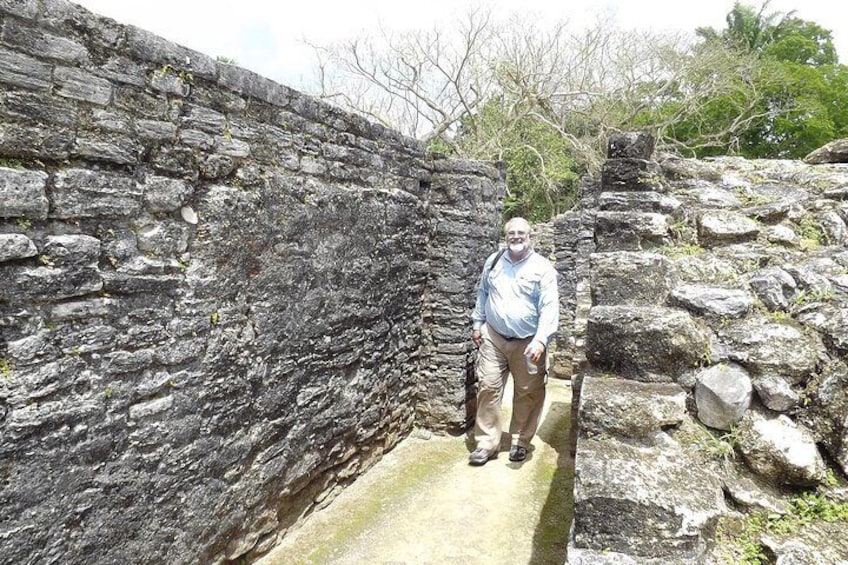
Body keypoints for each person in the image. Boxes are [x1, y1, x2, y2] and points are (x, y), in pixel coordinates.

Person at [468, 217, 559, 466]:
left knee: (528, 392)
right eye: (511, 233)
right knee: (488, 386)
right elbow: (483, 292)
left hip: (528, 342)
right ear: (505, 237)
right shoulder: (494, 261)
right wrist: (478, 323)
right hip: (494, 338)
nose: (516, 237)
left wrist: (541, 339)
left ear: (530, 236)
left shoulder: (542, 268)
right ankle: (486, 443)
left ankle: (520, 441)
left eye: (521, 233)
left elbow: (550, 306)